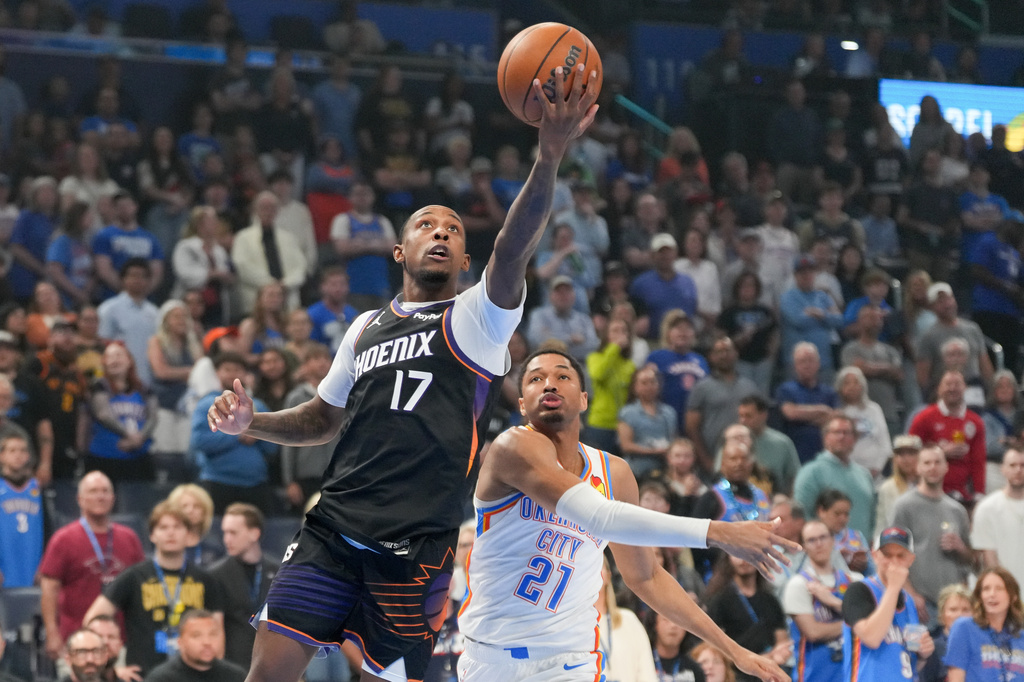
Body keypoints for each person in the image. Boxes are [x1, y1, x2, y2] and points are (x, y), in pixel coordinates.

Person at [204, 65, 602, 682]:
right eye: (425, 225)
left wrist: (548, 155)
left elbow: (515, 246)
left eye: (453, 229)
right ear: (400, 251)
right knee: (268, 674)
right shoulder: (363, 327)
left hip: (415, 546)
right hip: (332, 528)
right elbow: (321, 418)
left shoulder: (479, 318)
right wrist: (254, 422)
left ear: (466, 258)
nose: (440, 232)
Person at [457, 349, 794, 681]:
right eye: (535, 379)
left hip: (570, 661)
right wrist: (720, 532)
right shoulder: (511, 448)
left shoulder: (613, 473)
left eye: (562, 376)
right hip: (493, 660)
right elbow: (600, 517)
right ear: (520, 403)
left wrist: (734, 650)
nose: (549, 385)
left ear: (584, 399)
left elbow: (646, 577)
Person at [84, 501, 225, 676]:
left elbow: (218, 633)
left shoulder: (206, 580)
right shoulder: (134, 576)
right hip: (142, 674)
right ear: (152, 535)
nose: (170, 533)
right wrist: (111, 669)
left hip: (193, 675)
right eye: (163, 527)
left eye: (177, 527)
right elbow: (92, 619)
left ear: (188, 535)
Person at [39, 471, 145, 660]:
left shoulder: (129, 538)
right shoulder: (63, 539)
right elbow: (49, 589)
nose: (100, 496)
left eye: (105, 491)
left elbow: (142, 588)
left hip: (120, 641)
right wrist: (52, 633)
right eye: (93, 491)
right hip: (76, 641)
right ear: (80, 499)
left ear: (113, 498)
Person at [840, 526, 935, 680]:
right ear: (875, 555)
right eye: (887, 555)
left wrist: (923, 654)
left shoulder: (908, 601)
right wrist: (893, 588)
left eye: (900, 556)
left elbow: (909, 662)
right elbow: (871, 638)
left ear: (911, 559)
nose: (893, 562)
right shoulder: (859, 590)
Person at [892, 446, 973, 620]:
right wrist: (911, 593)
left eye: (937, 462)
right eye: (927, 463)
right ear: (918, 468)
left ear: (946, 467)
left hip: (952, 606)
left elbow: (971, 561)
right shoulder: (904, 506)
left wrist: (960, 547)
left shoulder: (957, 510)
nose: (932, 467)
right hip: (920, 603)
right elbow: (893, 555)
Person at [192, 353, 276, 515]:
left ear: (245, 374)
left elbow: (272, 447)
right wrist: (237, 434)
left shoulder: (258, 405)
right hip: (217, 482)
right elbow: (200, 441)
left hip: (256, 484)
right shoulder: (206, 404)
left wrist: (257, 435)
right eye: (227, 369)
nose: (232, 374)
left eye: (237, 369)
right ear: (217, 373)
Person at [782, 520, 860, 682]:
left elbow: (875, 624)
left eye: (823, 537)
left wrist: (833, 602)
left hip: (851, 675)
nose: (818, 544)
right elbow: (813, 632)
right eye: (811, 540)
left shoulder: (855, 581)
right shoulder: (799, 585)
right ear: (804, 546)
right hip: (815, 676)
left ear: (833, 540)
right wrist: (856, 623)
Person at [208, 504, 279, 670]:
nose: (226, 539)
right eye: (225, 532)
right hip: (235, 667)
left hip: (274, 666)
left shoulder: (279, 572)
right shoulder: (216, 575)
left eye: (233, 532)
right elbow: (215, 629)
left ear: (254, 533)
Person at [703, 554, 792, 682]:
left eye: (747, 553)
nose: (743, 559)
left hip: (769, 672)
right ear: (728, 558)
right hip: (736, 675)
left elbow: (782, 640)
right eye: (736, 554)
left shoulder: (770, 600)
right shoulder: (719, 600)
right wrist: (754, 659)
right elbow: (712, 647)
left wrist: (778, 654)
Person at [793, 413, 875, 539]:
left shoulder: (864, 474)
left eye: (846, 433)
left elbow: (871, 517)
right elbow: (802, 516)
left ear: (855, 438)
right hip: (826, 551)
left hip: (861, 551)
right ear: (825, 437)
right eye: (836, 432)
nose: (841, 437)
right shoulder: (811, 472)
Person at [685, 336, 760, 473]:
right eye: (719, 352)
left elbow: (758, 424)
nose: (724, 355)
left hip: (744, 461)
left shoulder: (750, 387)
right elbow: (692, 428)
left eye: (728, 350)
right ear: (711, 357)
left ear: (736, 353)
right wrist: (706, 461)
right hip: (712, 460)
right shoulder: (701, 388)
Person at [908, 370, 986, 501]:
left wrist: (979, 494)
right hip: (927, 491)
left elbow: (978, 462)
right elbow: (910, 452)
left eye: (957, 384)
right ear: (939, 388)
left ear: (965, 388)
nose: (952, 388)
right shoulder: (924, 418)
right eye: (948, 384)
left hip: (961, 494)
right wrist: (940, 452)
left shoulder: (975, 422)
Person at [85, 342, 158, 483]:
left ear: (129, 360)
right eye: (109, 357)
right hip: (104, 459)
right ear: (104, 362)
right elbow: (103, 414)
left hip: (139, 460)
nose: (114, 360)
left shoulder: (144, 388)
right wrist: (129, 435)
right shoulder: (98, 386)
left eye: (118, 355)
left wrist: (139, 439)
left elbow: (153, 417)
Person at [232, 191, 308, 314]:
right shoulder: (243, 237)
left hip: (288, 300)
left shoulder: (289, 238)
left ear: (277, 211)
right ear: (255, 210)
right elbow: (242, 266)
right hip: (256, 300)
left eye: (272, 208)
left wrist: (285, 284)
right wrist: (271, 285)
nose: (268, 211)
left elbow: (300, 267)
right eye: (263, 207)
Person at [944, 567, 1024, 682]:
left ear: (1013, 597)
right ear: (980, 596)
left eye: (999, 589)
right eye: (986, 589)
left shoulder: (1020, 636)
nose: (992, 594)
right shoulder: (964, 628)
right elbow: (955, 677)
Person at [96, 259, 159, 387]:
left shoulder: (155, 312)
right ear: (123, 279)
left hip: (149, 380)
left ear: (148, 281)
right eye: (133, 275)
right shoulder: (109, 309)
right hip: (118, 381)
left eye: (143, 276)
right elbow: (101, 344)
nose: (138, 280)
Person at [596, 558, 658, 682]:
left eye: (598, 565)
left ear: (609, 575)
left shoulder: (629, 621)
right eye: (589, 566)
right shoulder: (573, 625)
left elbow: (646, 673)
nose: (594, 571)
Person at [775, 343, 838, 464]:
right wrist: (822, 410)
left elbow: (835, 418)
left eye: (810, 361)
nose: (807, 365)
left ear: (818, 363)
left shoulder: (829, 392)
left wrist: (803, 416)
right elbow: (791, 413)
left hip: (826, 455)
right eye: (802, 361)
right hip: (796, 455)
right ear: (795, 366)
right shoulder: (786, 389)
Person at [970, 448, 1024, 590]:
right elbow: (990, 561)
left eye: (1022, 465)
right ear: (1003, 469)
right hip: (1007, 593)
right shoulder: (987, 508)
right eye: (1012, 465)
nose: (1018, 470)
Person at [645, 311, 708, 432]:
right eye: (678, 328)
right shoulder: (656, 357)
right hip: (665, 418)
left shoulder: (701, 360)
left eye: (687, 328)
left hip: (695, 421)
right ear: (668, 333)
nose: (683, 332)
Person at [143, 609, 247, 682]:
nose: (207, 642)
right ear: (180, 642)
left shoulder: (237, 677)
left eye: (213, 634)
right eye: (196, 636)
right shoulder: (161, 678)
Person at [0, 431, 43, 587]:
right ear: (2, 456)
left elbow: (49, 528)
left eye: (22, 450)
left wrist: (46, 565)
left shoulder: (38, 489)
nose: (18, 455)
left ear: (28, 456)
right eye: (12, 450)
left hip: (33, 565)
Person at [736, 395, 800, 497]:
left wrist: (786, 503)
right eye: (741, 416)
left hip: (773, 504)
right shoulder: (732, 442)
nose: (743, 421)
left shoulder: (782, 443)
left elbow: (794, 478)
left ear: (763, 415)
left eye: (748, 416)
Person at [836, 366, 891, 479]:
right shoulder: (837, 413)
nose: (852, 386)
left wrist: (877, 467)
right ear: (840, 387)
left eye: (856, 382)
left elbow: (885, 443)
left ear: (863, 386)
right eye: (847, 383)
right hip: (846, 473)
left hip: (875, 473)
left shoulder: (874, 409)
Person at [919, 584, 972, 682]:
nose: (959, 615)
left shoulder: (980, 645)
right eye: (953, 609)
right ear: (942, 614)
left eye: (966, 610)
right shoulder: (932, 648)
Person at [816, 489, 873, 576]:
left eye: (846, 514)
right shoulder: (811, 537)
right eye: (837, 514)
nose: (842, 519)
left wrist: (865, 564)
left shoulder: (857, 536)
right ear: (821, 511)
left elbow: (872, 571)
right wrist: (838, 557)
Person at [875, 435, 922, 537]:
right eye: (900, 454)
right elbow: (883, 523)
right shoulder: (888, 488)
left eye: (911, 453)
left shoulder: (927, 486)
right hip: (897, 540)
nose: (905, 459)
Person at [648, 612, 704, 682]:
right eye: (666, 619)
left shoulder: (695, 670)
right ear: (655, 624)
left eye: (678, 621)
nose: (673, 625)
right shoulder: (642, 663)